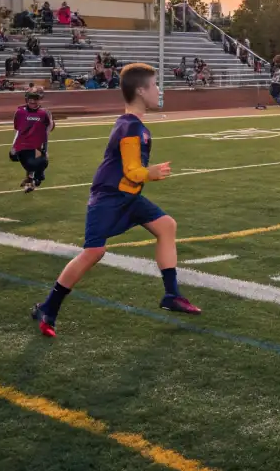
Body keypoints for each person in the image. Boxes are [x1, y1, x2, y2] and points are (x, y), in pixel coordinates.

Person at [30, 63, 199, 337]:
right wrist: (152, 174)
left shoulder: (133, 125)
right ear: (141, 91)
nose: (159, 90)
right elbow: (133, 171)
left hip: (128, 196)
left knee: (166, 226)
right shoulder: (132, 128)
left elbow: (130, 172)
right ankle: (47, 308)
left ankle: (171, 295)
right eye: (155, 85)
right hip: (108, 198)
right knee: (94, 252)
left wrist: (146, 175)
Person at [11, 87, 54, 192]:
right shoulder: (21, 111)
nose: (32, 100)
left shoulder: (44, 113)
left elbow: (49, 127)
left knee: (36, 160)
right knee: (24, 158)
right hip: (25, 140)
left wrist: (43, 143)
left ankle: (35, 179)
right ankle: (32, 177)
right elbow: (18, 128)